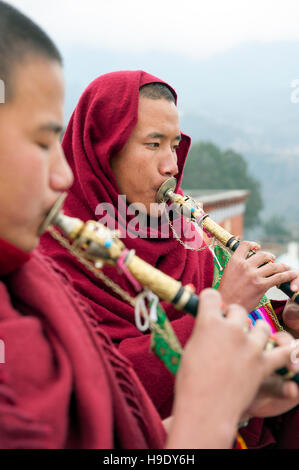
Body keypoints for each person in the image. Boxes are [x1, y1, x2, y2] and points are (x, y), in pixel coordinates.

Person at [2, 0, 298, 449]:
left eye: (175, 145)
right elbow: (111, 389)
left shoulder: (192, 239)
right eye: (153, 144)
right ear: (104, 151)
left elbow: (253, 335)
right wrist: (222, 305)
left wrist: (284, 323)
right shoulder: (55, 249)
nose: (171, 165)